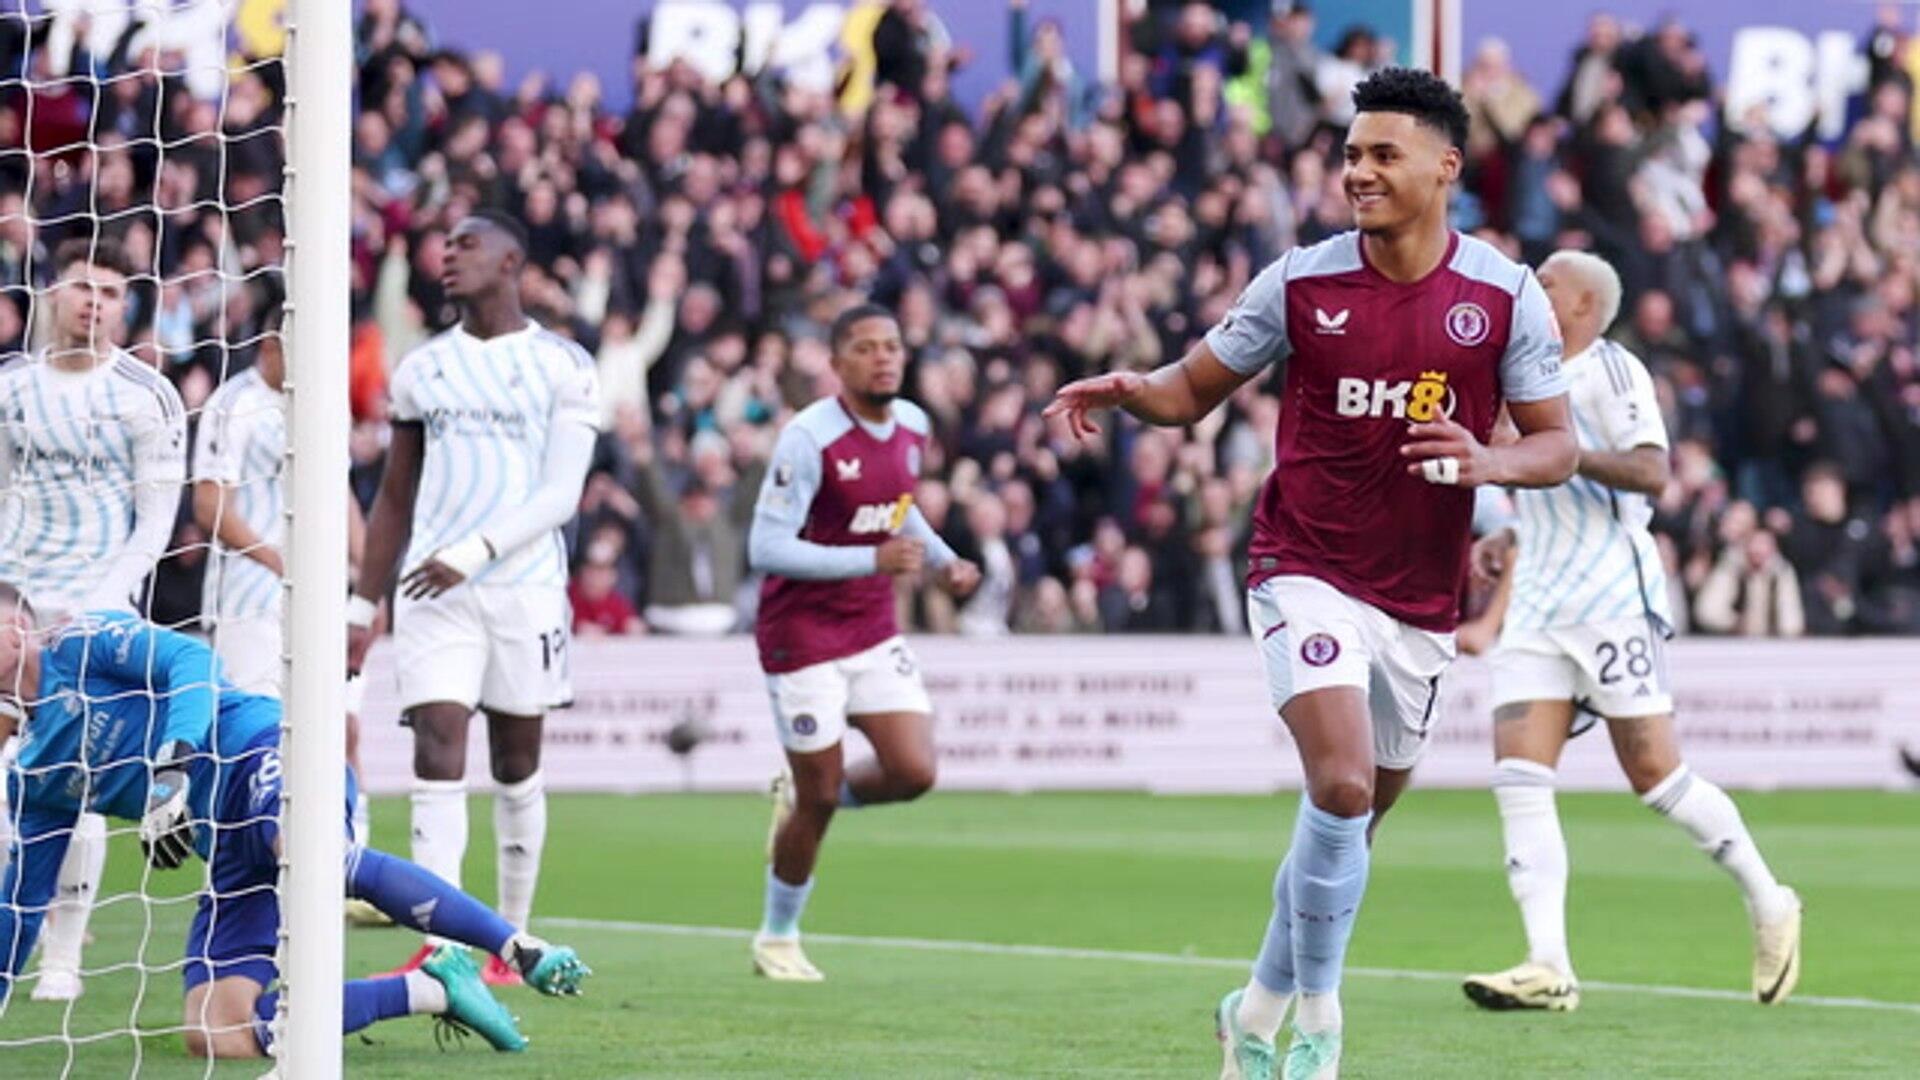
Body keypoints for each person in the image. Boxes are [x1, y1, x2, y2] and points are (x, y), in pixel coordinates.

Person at [1046, 68, 1576, 1080]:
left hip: (1419, 599)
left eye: (1383, 155)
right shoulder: (1298, 282)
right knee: (1338, 784)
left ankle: (1251, 1011)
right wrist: (1133, 390)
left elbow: (1556, 444)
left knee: (1349, 824)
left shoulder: (1505, 296)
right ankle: (1319, 1027)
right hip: (1304, 565)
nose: (1358, 173)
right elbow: (1190, 390)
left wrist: (1490, 459)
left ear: (1445, 167)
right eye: (1350, 155)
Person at [0, 587, 590, 1055]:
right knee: (215, 1033)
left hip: (264, 748)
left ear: (17, 626)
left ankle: (517, 946)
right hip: (228, 844)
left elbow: (193, 661)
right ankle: (433, 989)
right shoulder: (31, 774)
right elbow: (21, 904)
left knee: (308, 852)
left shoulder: (80, 641)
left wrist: (171, 766)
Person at [1459, 250, 1801, 1013]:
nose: (1532, 288)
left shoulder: (1612, 370)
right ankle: (1548, 963)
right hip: (1538, 601)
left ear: (1584, 304)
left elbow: (1652, 472)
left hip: (1611, 595)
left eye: (1546, 283)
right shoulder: (1526, 379)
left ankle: (1770, 898)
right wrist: (1510, 535)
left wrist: (1566, 452)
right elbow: (1550, 491)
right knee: (1518, 775)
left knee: (1657, 776)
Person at [347, 210, 601, 985]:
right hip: (433, 591)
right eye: (445, 245)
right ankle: (446, 946)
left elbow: (562, 494)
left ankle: (512, 941)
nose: (448, 256)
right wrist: (362, 605)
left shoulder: (564, 365)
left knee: (516, 763)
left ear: (512, 261)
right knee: (436, 747)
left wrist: (476, 552)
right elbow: (394, 496)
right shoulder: (423, 368)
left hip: (524, 590)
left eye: (467, 244)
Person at [747, 303, 980, 982]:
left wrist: (944, 560)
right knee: (820, 796)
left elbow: (898, 510)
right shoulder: (808, 438)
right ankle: (777, 937)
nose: (883, 357)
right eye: (865, 347)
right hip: (802, 636)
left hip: (872, 627)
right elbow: (766, 547)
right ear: (836, 363)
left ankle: (799, 799)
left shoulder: (913, 426)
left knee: (914, 771)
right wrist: (870, 561)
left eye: (892, 346)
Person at [0, 237, 186, 1001]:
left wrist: (102, 602)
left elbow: (157, 519)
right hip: (11, 607)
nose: (95, 303)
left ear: (125, 307)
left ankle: (64, 956)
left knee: (74, 778)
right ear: (53, 293)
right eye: (83, 287)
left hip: (95, 612)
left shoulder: (146, 394)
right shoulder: (11, 385)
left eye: (111, 294)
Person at [191, 319, 386, 917]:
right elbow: (208, 502)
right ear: (272, 345)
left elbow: (343, 496)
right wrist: (278, 560)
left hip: (324, 599)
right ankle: (242, 876)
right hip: (247, 600)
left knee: (341, 726)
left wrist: (369, 584)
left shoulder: (323, 402)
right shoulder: (233, 403)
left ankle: (349, 866)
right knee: (257, 736)